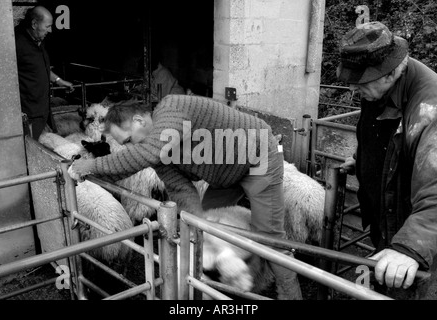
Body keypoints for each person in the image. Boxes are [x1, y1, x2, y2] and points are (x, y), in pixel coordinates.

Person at [68, 94, 303, 300]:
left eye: (129, 140)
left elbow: (146, 153)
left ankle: (290, 295)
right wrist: (199, 226)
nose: (130, 148)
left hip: (258, 158)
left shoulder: (172, 108)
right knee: (204, 228)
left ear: (139, 121)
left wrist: (90, 165)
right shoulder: (160, 155)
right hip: (225, 175)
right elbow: (183, 192)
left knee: (270, 237)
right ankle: (208, 286)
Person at [337, 21, 437, 299]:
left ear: (390, 73)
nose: (356, 90)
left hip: (416, 227)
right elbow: (380, 133)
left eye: (361, 84)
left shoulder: (430, 109)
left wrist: (410, 247)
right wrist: (360, 159)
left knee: (413, 289)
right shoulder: (381, 85)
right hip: (387, 214)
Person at [15, 6, 73, 140]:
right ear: (34, 24)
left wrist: (58, 80)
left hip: (43, 110)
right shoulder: (16, 43)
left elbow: (42, 68)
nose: (50, 30)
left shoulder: (39, 41)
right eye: (47, 26)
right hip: (29, 114)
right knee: (29, 149)